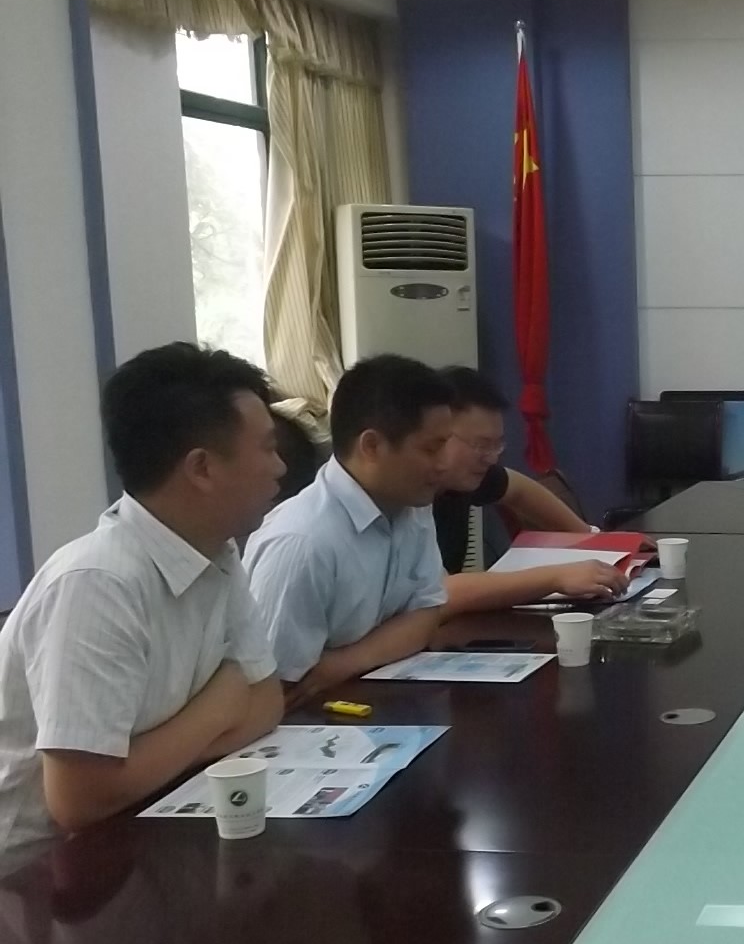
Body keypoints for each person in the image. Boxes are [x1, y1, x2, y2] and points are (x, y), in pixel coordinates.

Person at [0, 344, 285, 861]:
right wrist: (217, 709)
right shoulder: (97, 584)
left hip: (146, 822)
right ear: (202, 468)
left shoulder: (215, 551)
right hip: (38, 874)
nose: (281, 467)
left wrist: (149, 760)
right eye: (267, 449)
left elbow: (265, 701)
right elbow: (79, 799)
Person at [244, 355, 455, 701]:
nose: (445, 464)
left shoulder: (410, 503)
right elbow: (274, 691)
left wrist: (342, 663)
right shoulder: (302, 543)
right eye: (431, 449)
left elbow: (426, 613)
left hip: (372, 699)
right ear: (371, 446)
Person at [432, 366, 624, 614]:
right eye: (480, 445)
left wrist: (592, 538)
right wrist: (556, 577)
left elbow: (519, 489)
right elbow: (440, 593)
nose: (491, 458)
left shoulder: (460, 477)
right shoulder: (407, 495)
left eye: (496, 445)